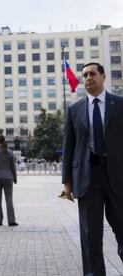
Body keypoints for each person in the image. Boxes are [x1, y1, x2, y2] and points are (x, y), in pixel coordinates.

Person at [62, 62, 123, 275]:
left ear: (103, 76)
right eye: (85, 74)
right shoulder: (74, 109)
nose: (88, 77)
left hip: (118, 176)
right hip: (88, 178)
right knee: (91, 236)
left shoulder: (120, 104)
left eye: (93, 73)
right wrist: (67, 182)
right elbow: (68, 147)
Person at [0, 134, 18, 226]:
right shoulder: (10, 152)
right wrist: (15, 178)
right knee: (9, 199)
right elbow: (13, 167)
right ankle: (11, 221)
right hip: (8, 178)